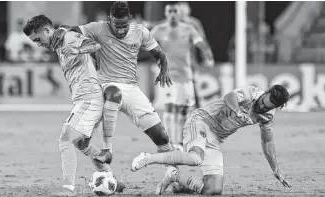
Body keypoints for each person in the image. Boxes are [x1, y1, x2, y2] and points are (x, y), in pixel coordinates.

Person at [50, 1, 174, 166]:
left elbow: (159, 54)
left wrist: (163, 70)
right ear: (110, 20)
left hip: (131, 88)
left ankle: (174, 176)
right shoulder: (98, 28)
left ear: (130, 18)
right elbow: (74, 29)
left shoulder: (141, 32)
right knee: (83, 135)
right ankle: (107, 151)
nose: (121, 30)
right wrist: (63, 30)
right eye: (117, 26)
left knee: (161, 136)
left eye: (124, 26)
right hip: (104, 85)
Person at [23, 15, 123, 197]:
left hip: (89, 98)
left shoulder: (67, 39)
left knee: (65, 138)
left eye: (38, 39)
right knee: (81, 142)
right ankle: (111, 178)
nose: (38, 44)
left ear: (47, 30)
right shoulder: (60, 42)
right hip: (84, 98)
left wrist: (76, 46)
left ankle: (68, 190)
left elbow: (95, 45)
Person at [131, 85, 292, 195]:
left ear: (275, 107)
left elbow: (267, 142)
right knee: (195, 158)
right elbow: (230, 97)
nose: (262, 107)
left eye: (267, 107)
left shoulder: (267, 116)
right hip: (201, 121)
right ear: (265, 93)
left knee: (213, 190)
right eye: (263, 102)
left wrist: (275, 169)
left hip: (215, 139)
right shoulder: (251, 92)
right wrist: (237, 111)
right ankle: (148, 158)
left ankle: (175, 176)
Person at [150, 3, 214, 151]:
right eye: (170, 11)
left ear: (179, 14)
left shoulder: (189, 29)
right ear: (166, 13)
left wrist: (208, 55)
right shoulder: (159, 30)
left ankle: (182, 139)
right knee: (172, 107)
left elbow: (200, 43)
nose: (172, 14)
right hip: (169, 76)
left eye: (175, 11)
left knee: (186, 109)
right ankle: (172, 142)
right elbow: (145, 44)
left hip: (187, 76)